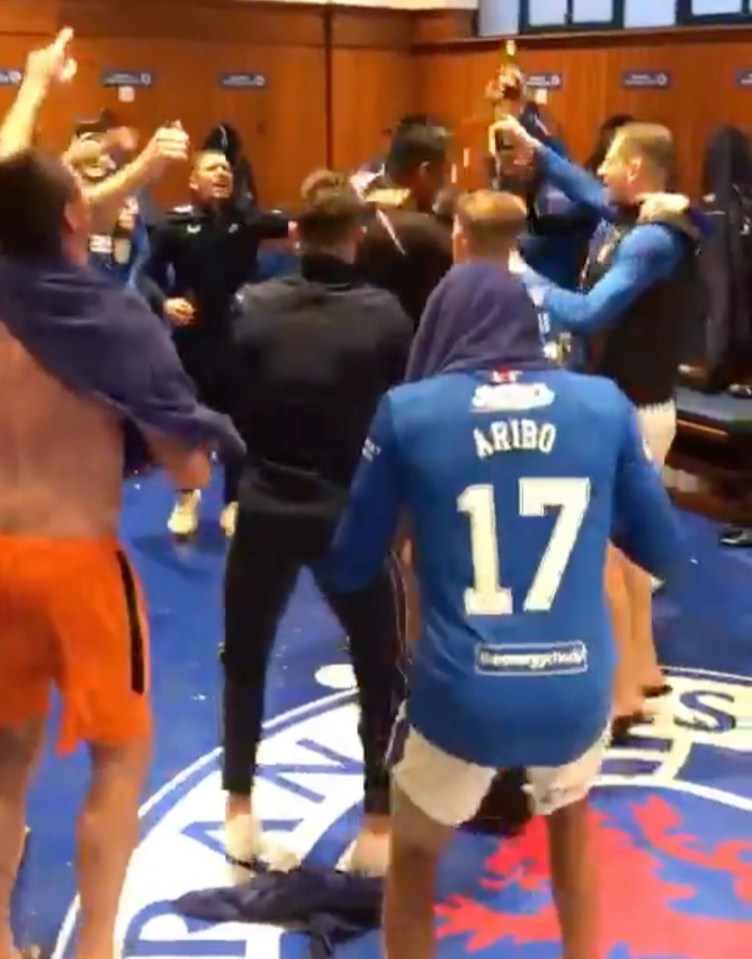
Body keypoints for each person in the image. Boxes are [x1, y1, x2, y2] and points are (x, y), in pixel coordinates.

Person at [323, 195, 684, 959]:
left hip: (463, 688)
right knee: (572, 833)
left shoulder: (411, 412)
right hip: (574, 684)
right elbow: (663, 548)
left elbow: (352, 562)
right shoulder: (601, 405)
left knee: (415, 856)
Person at [0, 141, 246, 959]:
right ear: (76, 217)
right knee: (119, 754)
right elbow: (185, 460)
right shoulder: (109, 320)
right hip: (76, 559)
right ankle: (96, 945)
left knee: (5, 760)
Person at [221, 170, 412, 878]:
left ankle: (237, 811)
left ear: (294, 236)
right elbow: (402, 416)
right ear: (358, 238)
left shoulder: (252, 307)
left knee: (244, 657)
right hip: (350, 511)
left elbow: (229, 402)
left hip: (267, 500)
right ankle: (377, 823)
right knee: (380, 667)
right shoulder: (388, 317)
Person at [496, 114, 705, 734]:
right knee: (630, 559)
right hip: (635, 406)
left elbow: (588, 314)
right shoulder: (638, 218)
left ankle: (617, 698)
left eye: (610, 161)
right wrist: (538, 149)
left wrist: (520, 274)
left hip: (633, 412)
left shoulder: (651, 240)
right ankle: (643, 673)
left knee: (607, 559)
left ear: (636, 170)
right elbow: (587, 189)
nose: (601, 172)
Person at [144, 149, 290, 538]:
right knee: (187, 423)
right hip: (193, 340)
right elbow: (146, 277)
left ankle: (233, 502)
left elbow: (296, 225)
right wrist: (165, 302)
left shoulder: (249, 221)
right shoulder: (173, 225)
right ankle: (187, 499)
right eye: (212, 168)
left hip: (240, 339)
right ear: (194, 180)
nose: (222, 173)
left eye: (227, 168)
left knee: (240, 426)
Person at [358, 118, 453, 327]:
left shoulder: (349, 199)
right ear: (425, 172)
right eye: (445, 172)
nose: (447, 183)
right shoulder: (428, 232)